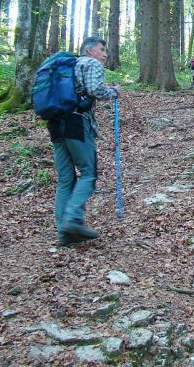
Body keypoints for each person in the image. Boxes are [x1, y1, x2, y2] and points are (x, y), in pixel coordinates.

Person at [48, 36, 119, 246]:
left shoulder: (68, 67)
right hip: (76, 123)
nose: (105, 54)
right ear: (89, 51)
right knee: (88, 173)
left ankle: (64, 233)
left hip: (55, 124)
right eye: (101, 49)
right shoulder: (91, 64)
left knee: (65, 179)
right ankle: (72, 220)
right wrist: (114, 92)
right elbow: (96, 90)